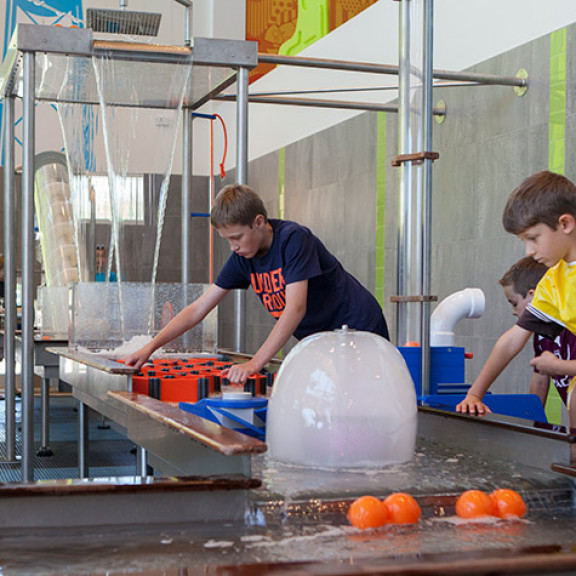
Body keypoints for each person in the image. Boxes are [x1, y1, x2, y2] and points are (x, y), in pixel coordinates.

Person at [125, 183, 389, 383]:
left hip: (358, 326)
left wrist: (255, 364)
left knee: (359, 397)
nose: (233, 246)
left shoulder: (294, 240)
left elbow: (295, 308)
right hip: (322, 339)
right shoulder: (243, 257)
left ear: (258, 222)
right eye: (227, 240)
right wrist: (150, 347)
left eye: (237, 237)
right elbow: (198, 308)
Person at [456, 171, 576, 426]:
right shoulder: (554, 282)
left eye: (533, 238)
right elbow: (512, 340)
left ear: (565, 224)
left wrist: (561, 368)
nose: (529, 251)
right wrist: (475, 393)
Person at [456, 256, 576, 422]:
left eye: (514, 303)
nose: (530, 250)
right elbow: (512, 344)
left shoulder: (570, 327)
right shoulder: (542, 333)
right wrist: (475, 394)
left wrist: (557, 366)